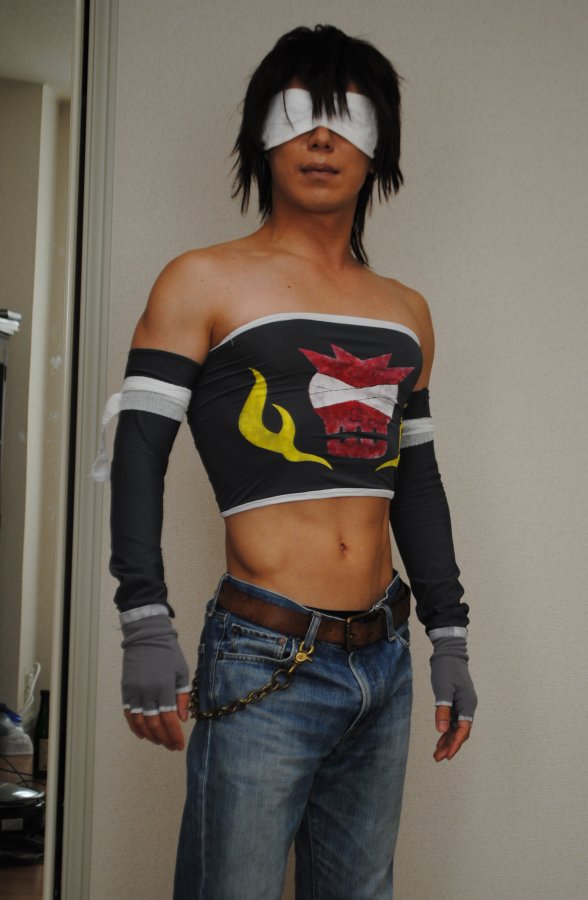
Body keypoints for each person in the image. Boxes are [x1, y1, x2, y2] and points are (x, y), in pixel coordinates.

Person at [95, 24, 477, 900]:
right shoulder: (201, 280)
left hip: (384, 660)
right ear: (261, 136)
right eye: (299, 113)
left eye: (348, 118)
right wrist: (143, 617)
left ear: (379, 147)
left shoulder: (406, 312)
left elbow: (414, 481)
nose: (321, 139)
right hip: (265, 656)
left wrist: (450, 635)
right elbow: (139, 451)